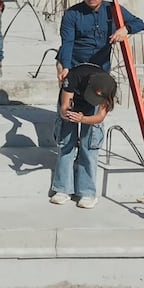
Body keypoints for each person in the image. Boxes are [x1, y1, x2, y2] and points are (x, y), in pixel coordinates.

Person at [51, 62, 117, 209]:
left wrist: (83, 119)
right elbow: (63, 109)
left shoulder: (109, 86)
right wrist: (69, 116)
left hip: (89, 112)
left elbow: (100, 117)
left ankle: (87, 192)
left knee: (90, 146)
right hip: (72, 104)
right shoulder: (73, 77)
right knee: (66, 143)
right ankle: (63, 189)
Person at [56, 0, 144, 82]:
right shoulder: (71, 14)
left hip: (100, 65)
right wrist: (65, 67)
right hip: (75, 63)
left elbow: (140, 23)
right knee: (69, 92)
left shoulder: (113, 9)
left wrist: (126, 29)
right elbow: (67, 42)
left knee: (98, 95)